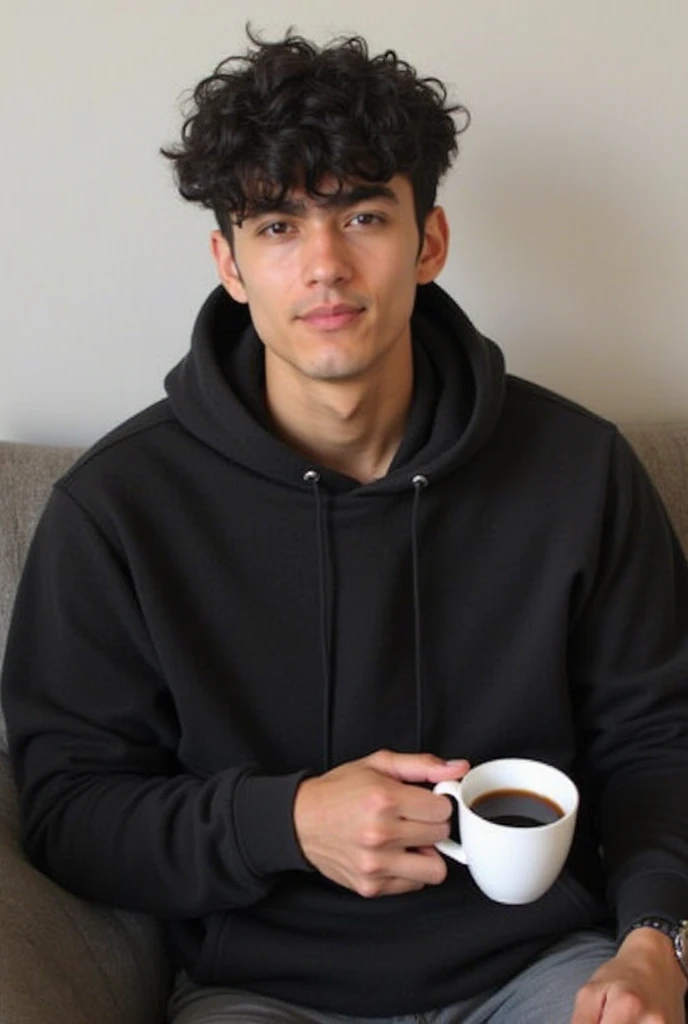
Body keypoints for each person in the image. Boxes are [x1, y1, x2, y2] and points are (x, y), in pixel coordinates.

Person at [2, 27, 688, 1024]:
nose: (324, 264)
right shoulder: (118, 507)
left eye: (362, 214)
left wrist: (655, 942)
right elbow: (66, 810)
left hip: (545, 971)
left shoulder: (580, 473)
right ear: (228, 264)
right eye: (278, 226)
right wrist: (281, 820)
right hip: (262, 992)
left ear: (430, 242)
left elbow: (659, 740)